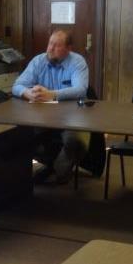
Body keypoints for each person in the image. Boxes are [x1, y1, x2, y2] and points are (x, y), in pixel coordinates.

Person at [11, 29, 90, 184]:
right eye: (50, 44)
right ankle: (42, 168)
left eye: (56, 46)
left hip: (72, 115)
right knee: (20, 134)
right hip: (42, 116)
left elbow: (81, 89)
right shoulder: (39, 61)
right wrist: (27, 93)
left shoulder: (77, 62)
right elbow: (16, 86)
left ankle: (59, 170)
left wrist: (52, 94)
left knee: (77, 140)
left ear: (68, 49)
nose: (50, 49)